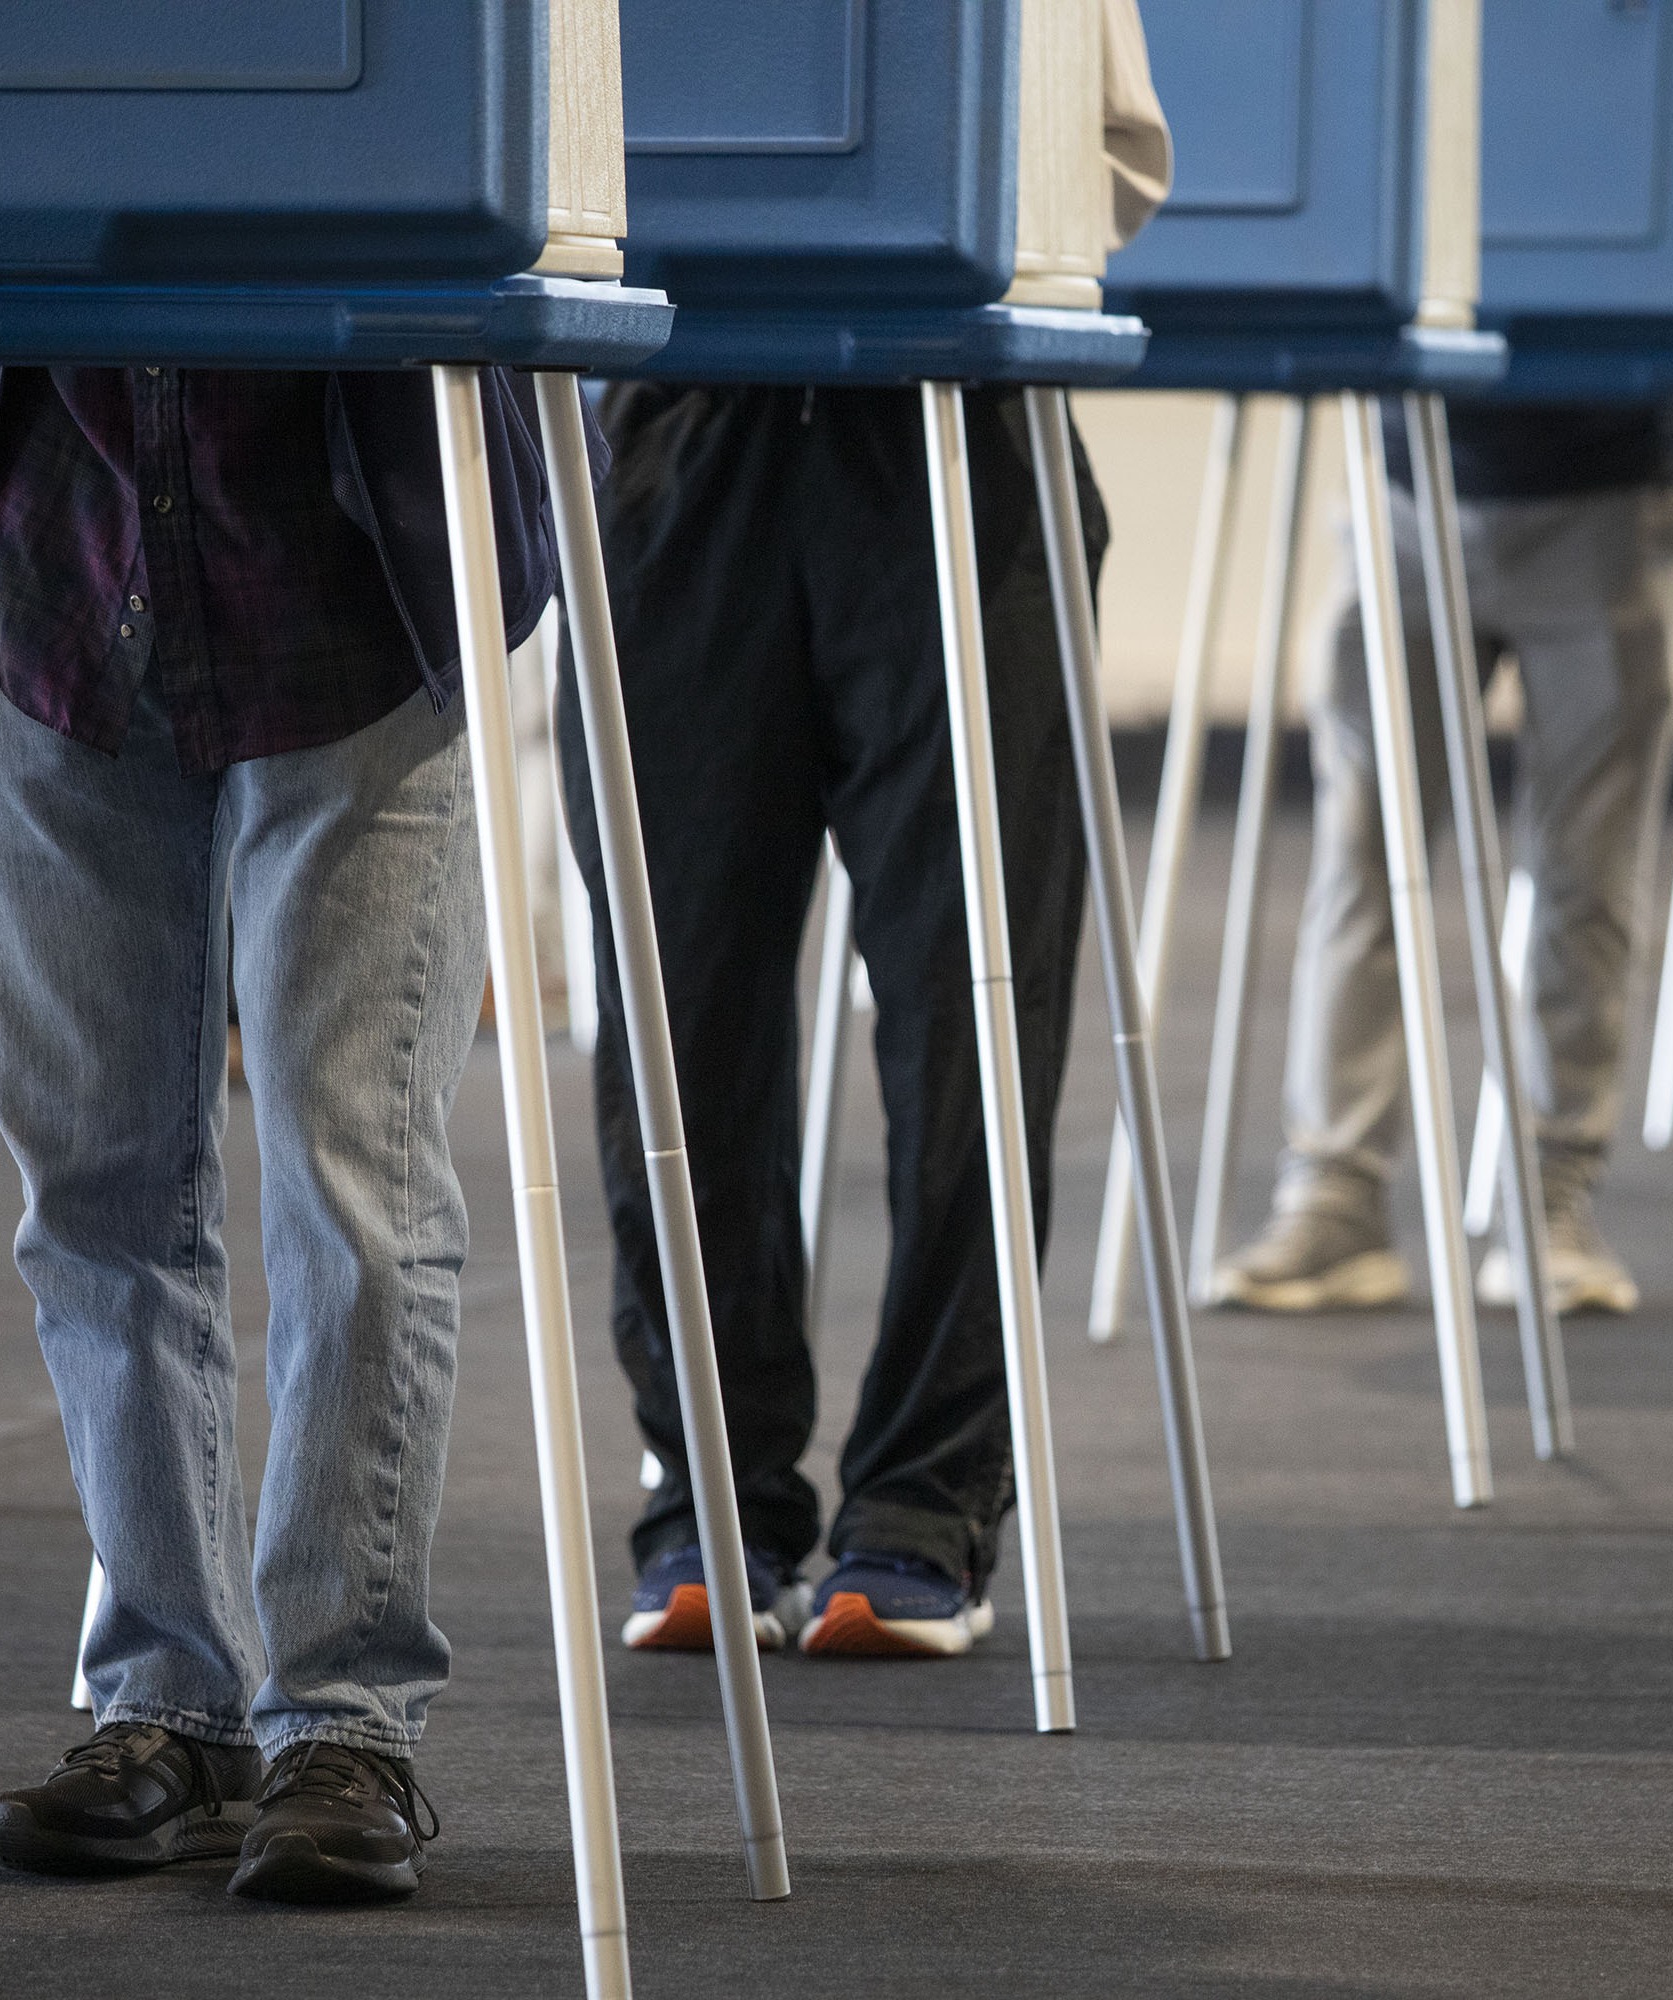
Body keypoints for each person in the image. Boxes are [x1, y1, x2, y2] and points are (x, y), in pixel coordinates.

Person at [557, 0, 1171, 1661]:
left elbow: (1120, 160)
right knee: (676, 1014)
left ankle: (926, 1502)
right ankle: (712, 1495)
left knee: (974, 1004)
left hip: (956, 425)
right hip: (685, 426)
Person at [0, 364, 564, 1898]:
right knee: (92, 1185)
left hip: (357, 554)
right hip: (54, 551)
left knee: (351, 1178)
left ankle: (342, 1719)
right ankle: (165, 1699)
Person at [1213, 144, 1673, 1321]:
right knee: (1362, 862)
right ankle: (1335, 1207)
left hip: (1611, 502)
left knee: (1582, 876)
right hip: (1407, 491)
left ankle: (1548, 1206)